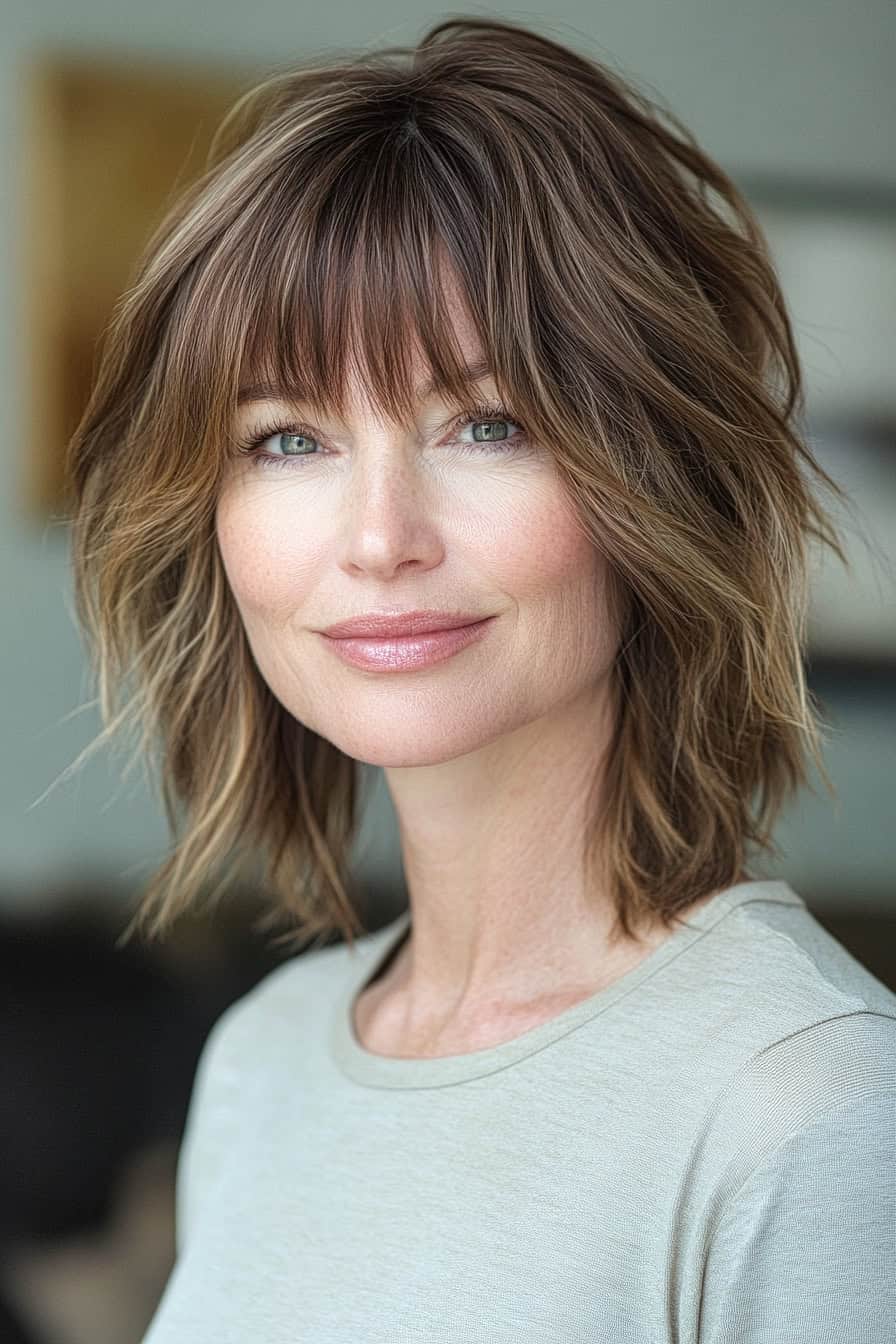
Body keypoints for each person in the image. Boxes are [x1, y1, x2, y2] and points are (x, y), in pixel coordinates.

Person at [65, 17, 895, 1343]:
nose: (381, 534)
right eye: (289, 438)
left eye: (486, 424)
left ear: (652, 478)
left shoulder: (810, 1105)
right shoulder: (265, 1061)